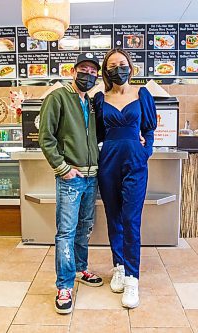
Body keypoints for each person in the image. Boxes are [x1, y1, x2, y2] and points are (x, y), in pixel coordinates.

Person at [39, 53, 104, 315]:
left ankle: (80, 269)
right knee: (66, 231)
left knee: (84, 227)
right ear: (73, 71)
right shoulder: (58, 97)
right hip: (71, 177)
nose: (88, 74)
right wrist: (63, 168)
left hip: (91, 176)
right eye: (83, 69)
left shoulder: (88, 101)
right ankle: (64, 285)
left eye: (92, 71)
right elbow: (46, 138)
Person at [93, 48, 157, 309]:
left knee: (131, 219)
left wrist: (145, 151)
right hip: (108, 162)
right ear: (106, 71)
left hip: (135, 163)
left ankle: (132, 278)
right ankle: (118, 265)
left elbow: (150, 128)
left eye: (122, 63)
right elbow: (96, 133)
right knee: (114, 217)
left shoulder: (142, 94)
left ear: (130, 67)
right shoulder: (100, 98)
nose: (118, 68)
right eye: (112, 65)